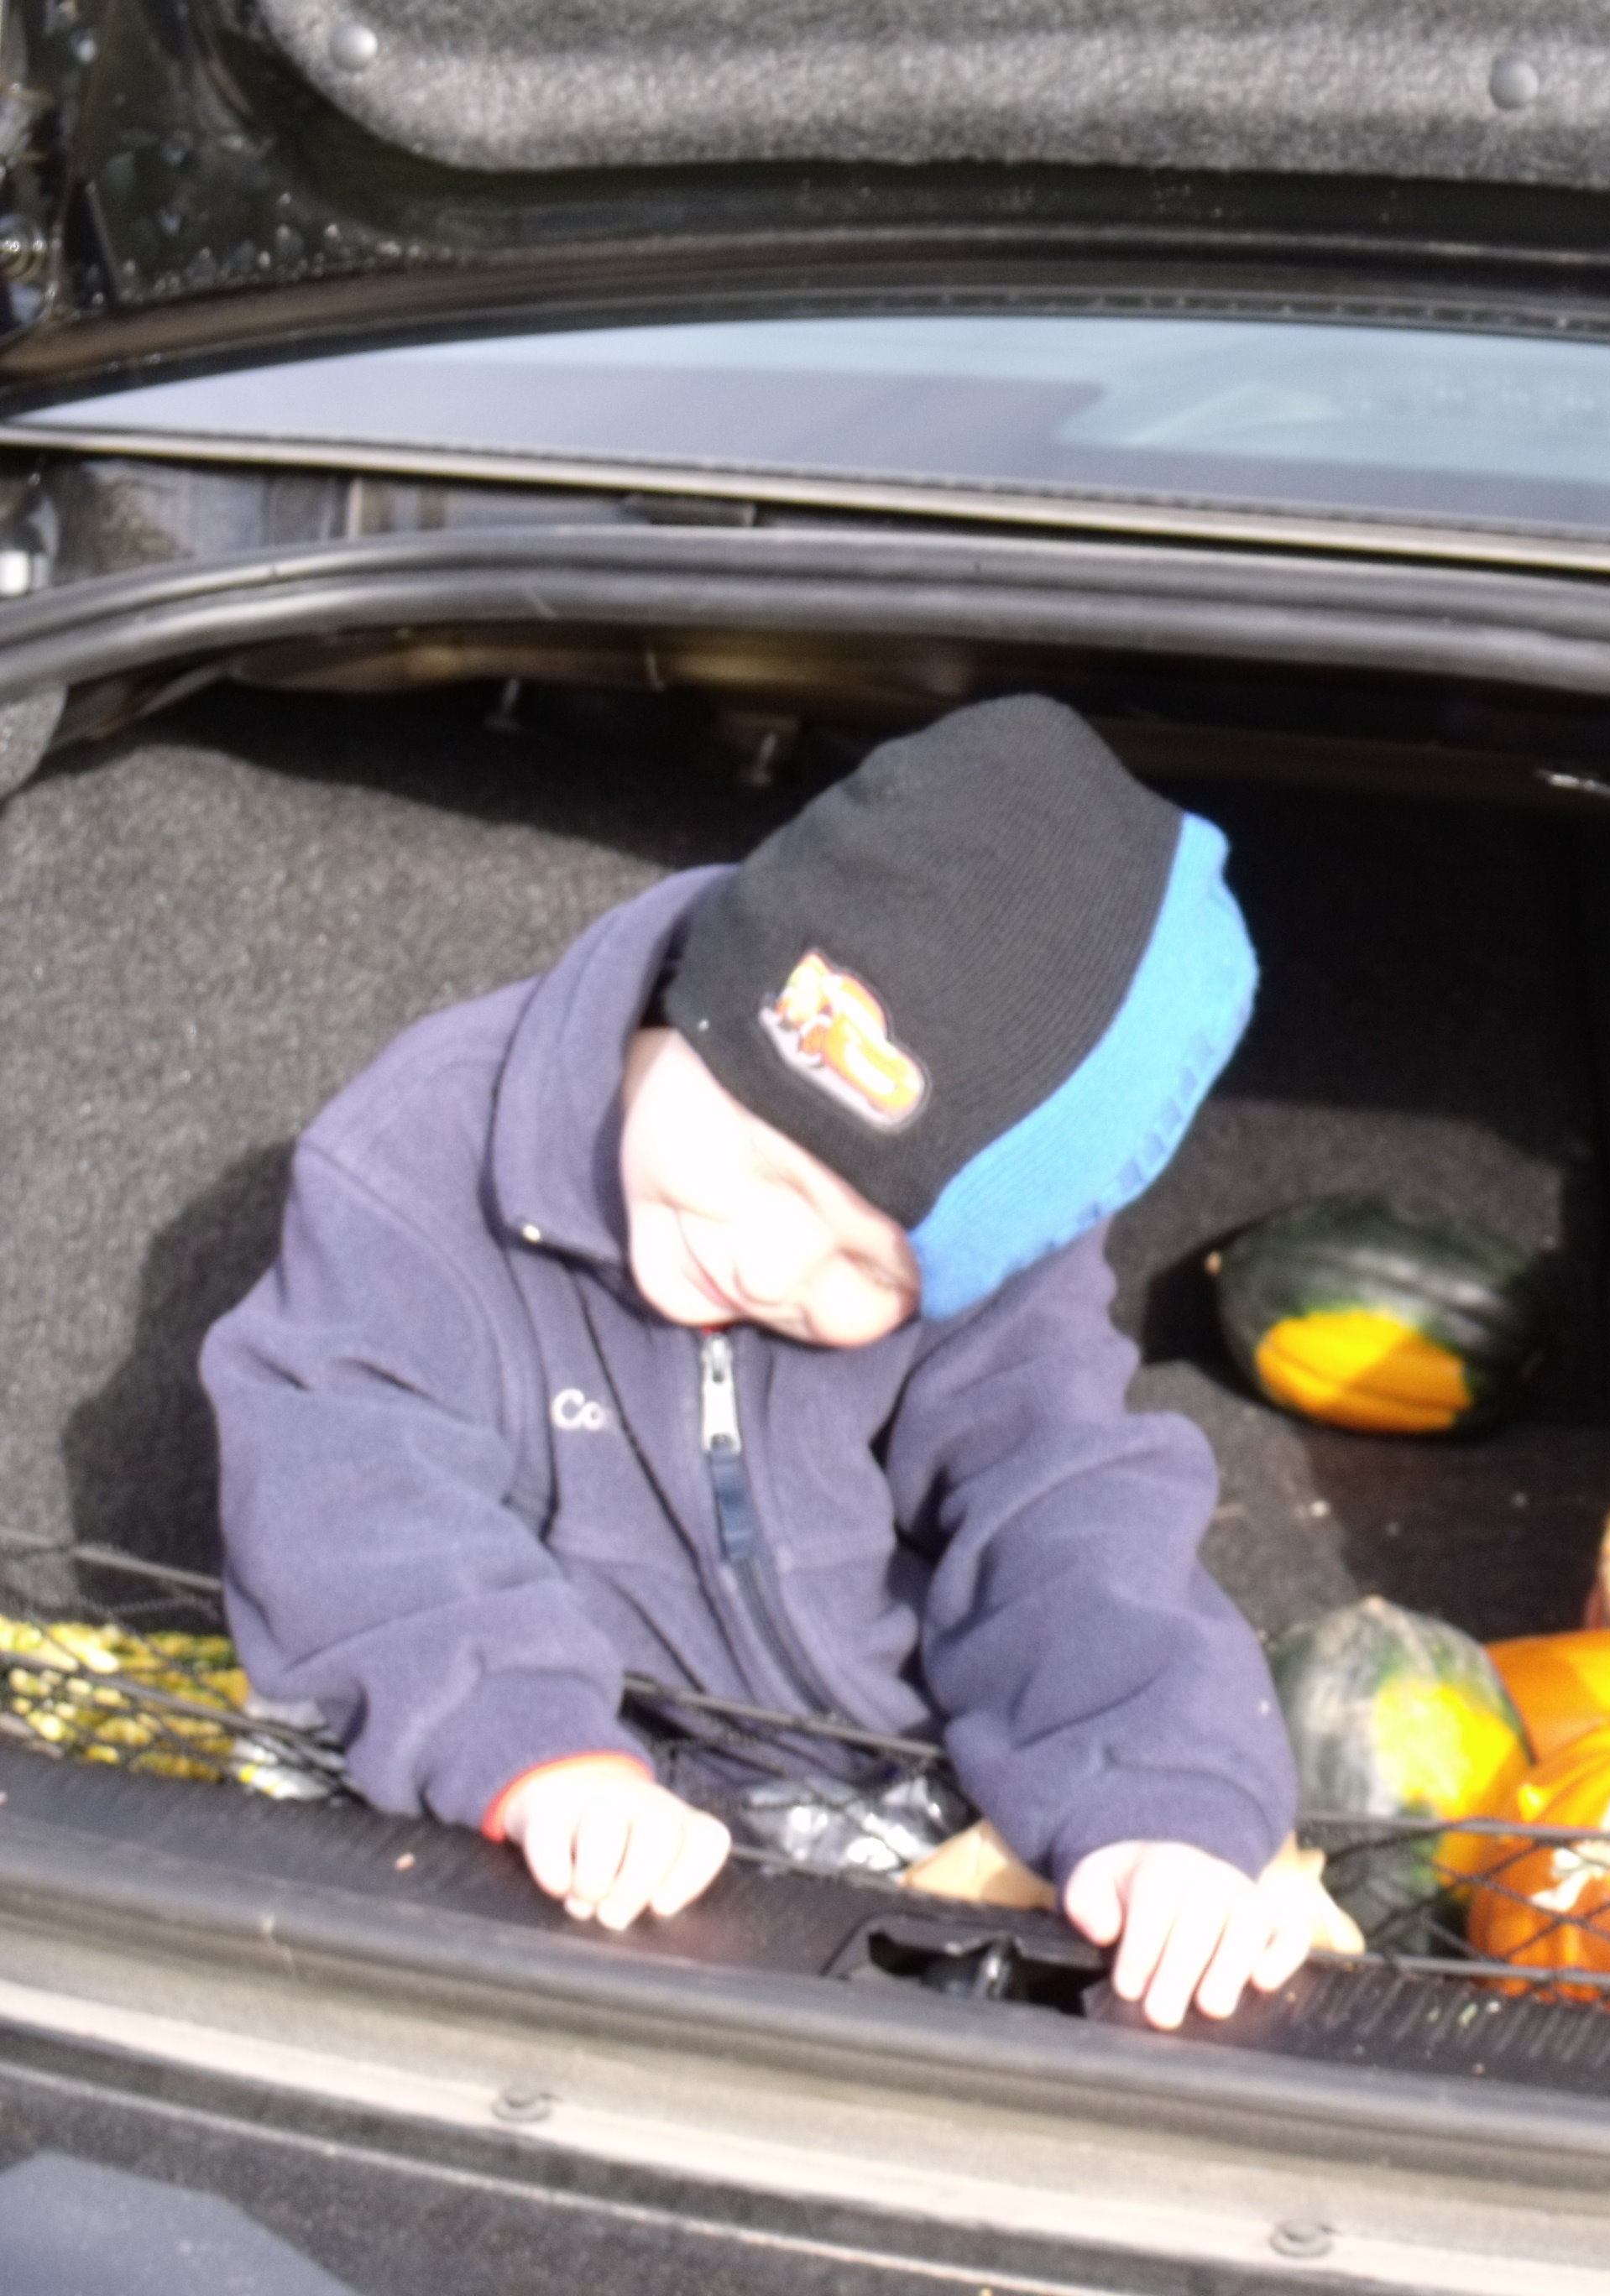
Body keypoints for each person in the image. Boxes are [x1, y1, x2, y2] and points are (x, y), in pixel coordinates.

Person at [201, 695, 1307, 2029]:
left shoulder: (982, 1279)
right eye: (773, 1171)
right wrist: (538, 1754)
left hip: (873, 1786)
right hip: (514, 1780)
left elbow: (1065, 1511)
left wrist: (1160, 1804)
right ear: (719, 1003)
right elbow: (351, 1488)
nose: (776, 1267)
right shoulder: (419, 1164)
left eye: (867, 1273)